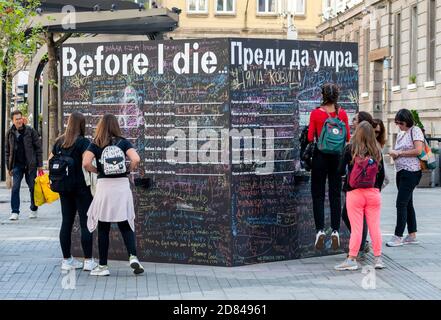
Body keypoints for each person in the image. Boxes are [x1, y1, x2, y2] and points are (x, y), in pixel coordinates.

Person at [83, 114, 144, 276]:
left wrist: (98, 171)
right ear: (116, 126)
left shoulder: (96, 143)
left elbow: (86, 163)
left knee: (103, 226)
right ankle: (133, 257)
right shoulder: (123, 142)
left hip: (105, 187)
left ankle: (103, 266)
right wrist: (128, 170)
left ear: (101, 126)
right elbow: (136, 159)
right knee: (125, 222)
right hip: (122, 186)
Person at [49, 112, 97, 272]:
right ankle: (88, 261)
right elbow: (86, 162)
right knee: (85, 223)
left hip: (63, 188)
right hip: (81, 188)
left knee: (66, 222)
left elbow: (50, 161)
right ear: (81, 124)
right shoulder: (83, 142)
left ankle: (67, 260)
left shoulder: (59, 141)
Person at [335, 121, 385, 271]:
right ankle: (378, 259)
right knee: (374, 226)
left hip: (354, 193)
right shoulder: (377, 150)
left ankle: (351, 259)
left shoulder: (350, 148)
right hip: (373, 193)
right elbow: (381, 176)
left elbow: (339, 171)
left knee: (357, 228)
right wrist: (375, 189)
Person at [307, 83, 351, 250]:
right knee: (335, 196)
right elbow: (347, 137)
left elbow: (311, 137)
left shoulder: (316, 113)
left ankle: (319, 231)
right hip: (337, 159)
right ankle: (335, 231)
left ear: (323, 95)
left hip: (320, 158)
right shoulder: (343, 114)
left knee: (318, 195)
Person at [387, 109, 424, 247]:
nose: (399, 126)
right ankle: (412, 235)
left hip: (411, 171)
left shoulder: (415, 130)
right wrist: (394, 153)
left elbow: (418, 150)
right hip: (401, 171)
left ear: (407, 121)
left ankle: (398, 236)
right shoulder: (402, 133)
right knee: (408, 203)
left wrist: (399, 153)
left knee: (401, 203)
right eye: (397, 123)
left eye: (400, 123)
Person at [341, 111, 374, 260]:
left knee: (350, 216)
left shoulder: (351, 147)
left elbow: (340, 169)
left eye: (355, 120)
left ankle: (359, 248)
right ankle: (364, 245)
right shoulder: (374, 147)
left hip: (353, 189)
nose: (352, 122)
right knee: (362, 218)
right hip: (371, 189)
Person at [5, 110, 43, 221]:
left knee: (32, 187)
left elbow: (38, 149)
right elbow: (7, 151)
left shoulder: (30, 131)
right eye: (16, 119)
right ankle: (15, 212)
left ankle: (33, 209)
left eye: (20, 118)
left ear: (23, 119)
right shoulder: (9, 133)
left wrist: (40, 165)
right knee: (15, 188)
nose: (19, 120)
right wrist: (9, 167)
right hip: (17, 165)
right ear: (12, 120)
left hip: (30, 165)